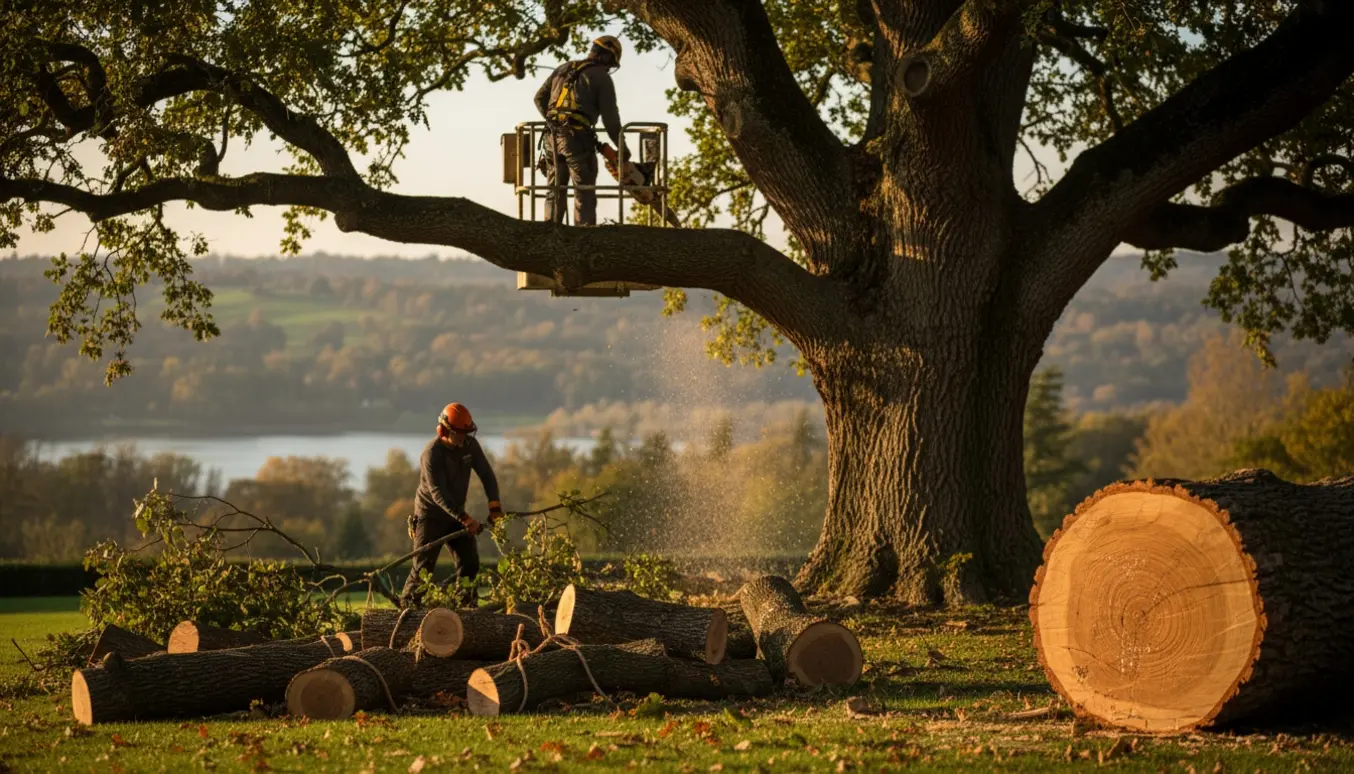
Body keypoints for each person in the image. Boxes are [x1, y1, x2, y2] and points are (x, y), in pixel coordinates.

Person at [400, 402, 504, 608]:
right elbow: (438, 494)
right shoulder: (432, 454)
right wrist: (465, 519)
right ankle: (407, 609)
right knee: (423, 570)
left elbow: (486, 475)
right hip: (430, 517)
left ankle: (466, 608)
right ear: (444, 431)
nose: (465, 438)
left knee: (470, 563)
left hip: (456, 515)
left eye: (467, 433)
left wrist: (495, 507)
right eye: (461, 433)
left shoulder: (469, 446)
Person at [533, 35, 624, 226]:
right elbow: (611, 120)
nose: (608, 68)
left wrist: (553, 122)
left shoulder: (563, 68)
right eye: (610, 64)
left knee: (554, 188)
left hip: (551, 139)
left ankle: (550, 231)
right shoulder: (601, 77)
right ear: (606, 57)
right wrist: (623, 149)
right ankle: (584, 237)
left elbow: (539, 98)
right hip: (577, 139)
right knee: (584, 190)